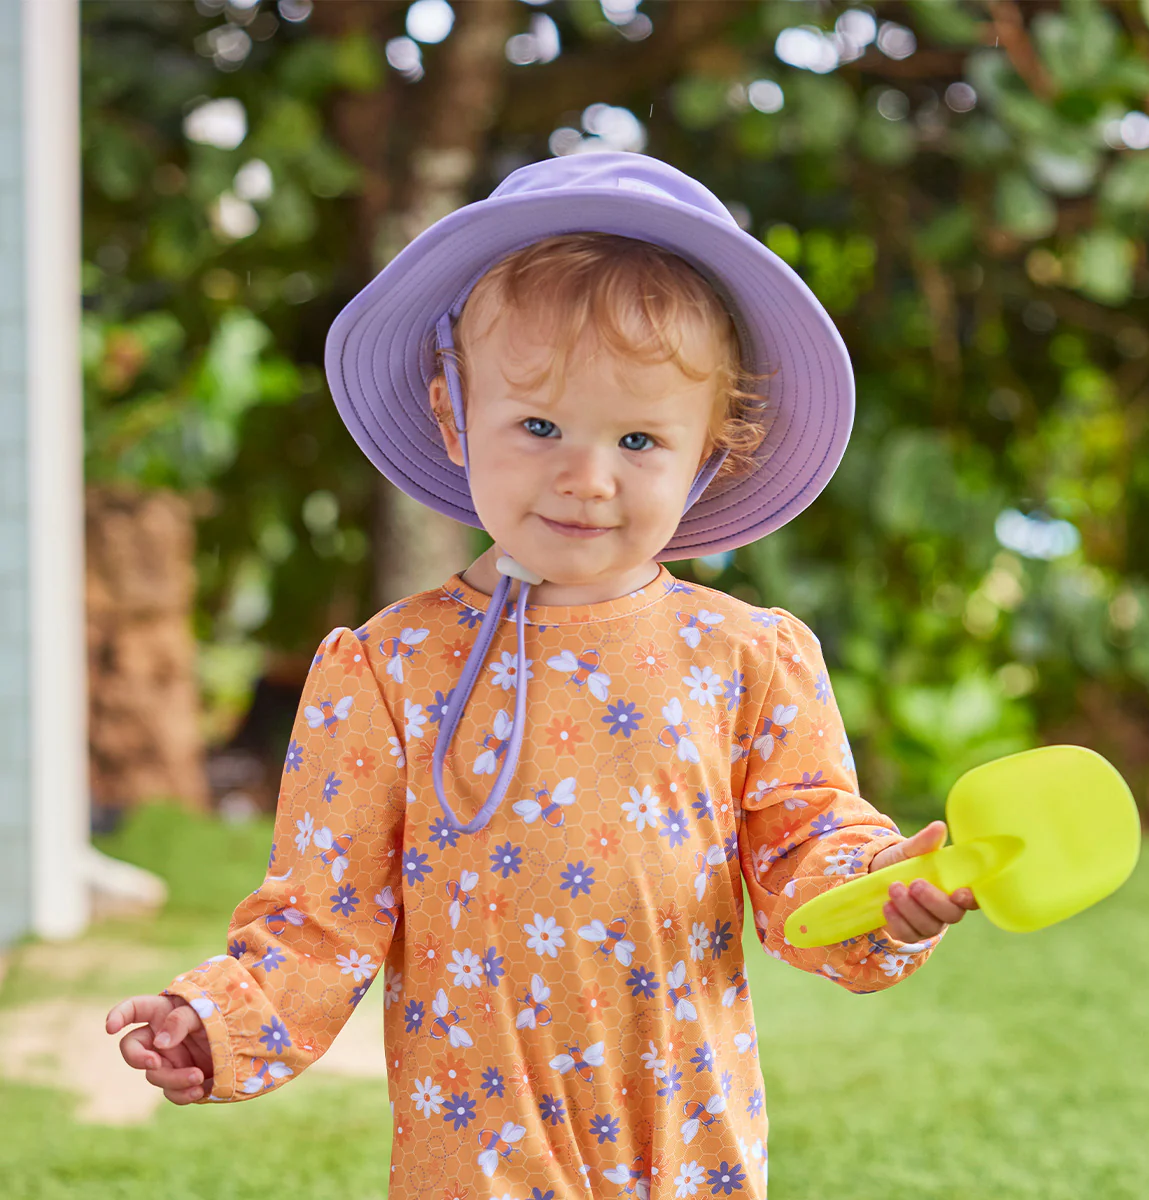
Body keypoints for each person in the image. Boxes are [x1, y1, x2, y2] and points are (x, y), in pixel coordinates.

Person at [106, 153, 977, 1199]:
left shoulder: (744, 659)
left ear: (713, 452)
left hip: (684, 1136)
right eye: (537, 425)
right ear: (451, 411)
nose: (586, 475)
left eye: (641, 438)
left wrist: (879, 898)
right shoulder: (386, 672)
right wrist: (218, 1021)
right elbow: (321, 915)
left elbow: (804, 846)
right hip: (475, 1146)